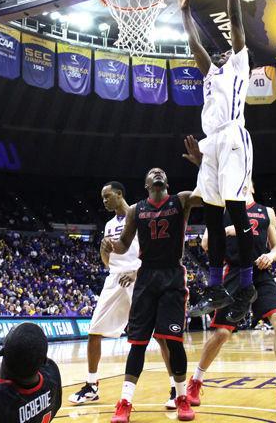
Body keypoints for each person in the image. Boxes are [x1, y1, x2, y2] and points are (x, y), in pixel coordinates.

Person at [182, 138, 276, 408]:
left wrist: (270, 256)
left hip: (260, 274)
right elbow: (206, 243)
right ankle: (195, 382)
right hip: (233, 274)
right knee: (221, 334)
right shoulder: (227, 211)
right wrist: (227, 231)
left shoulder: (267, 213)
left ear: (250, 184)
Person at [180, 0, 257, 323]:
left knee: (235, 208)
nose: (223, 52)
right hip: (211, 143)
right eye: (222, 52)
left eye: (227, 51)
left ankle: (246, 285)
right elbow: (195, 45)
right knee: (210, 213)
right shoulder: (211, 73)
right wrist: (184, 13)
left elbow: (236, 24)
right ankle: (215, 286)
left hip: (233, 136)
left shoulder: (240, 65)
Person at [104, 168, 201, 422]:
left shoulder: (181, 200)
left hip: (172, 275)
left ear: (166, 182)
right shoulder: (136, 210)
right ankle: (124, 402)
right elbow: (124, 244)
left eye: (161, 172)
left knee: (174, 340)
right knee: (138, 343)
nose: (157, 172)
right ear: (146, 184)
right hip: (146, 277)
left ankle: (181, 397)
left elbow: (207, 193)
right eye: (152, 172)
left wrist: (202, 164)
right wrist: (111, 246)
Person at [70, 182, 178, 408]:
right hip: (115, 279)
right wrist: (103, 253)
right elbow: (109, 262)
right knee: (94, 331)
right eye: (102, 198)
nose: (104, 201)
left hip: (141, 278)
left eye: (107, 196)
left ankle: (175, 389)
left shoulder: (140, 215)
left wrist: (136, 272)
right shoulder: (109, 224)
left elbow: (153, 251)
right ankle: (91, 386)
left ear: (119, 194)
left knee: (161, 336)